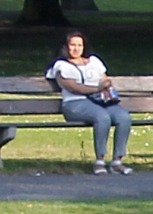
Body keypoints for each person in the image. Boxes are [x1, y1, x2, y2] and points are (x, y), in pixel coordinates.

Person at [48, 33, 130, 174]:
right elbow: (73, 87)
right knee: (102, 117)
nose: (76, 48)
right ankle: (100, 161)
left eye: (79, 45)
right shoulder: (61, 65)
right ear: (66, 47)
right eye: (72, 45)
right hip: (75, 104)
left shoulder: (94, 61)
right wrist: (97, 88)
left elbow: (104, 79)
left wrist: (105, 84)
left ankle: (117, 161)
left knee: (124, 117)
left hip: (99, 101)